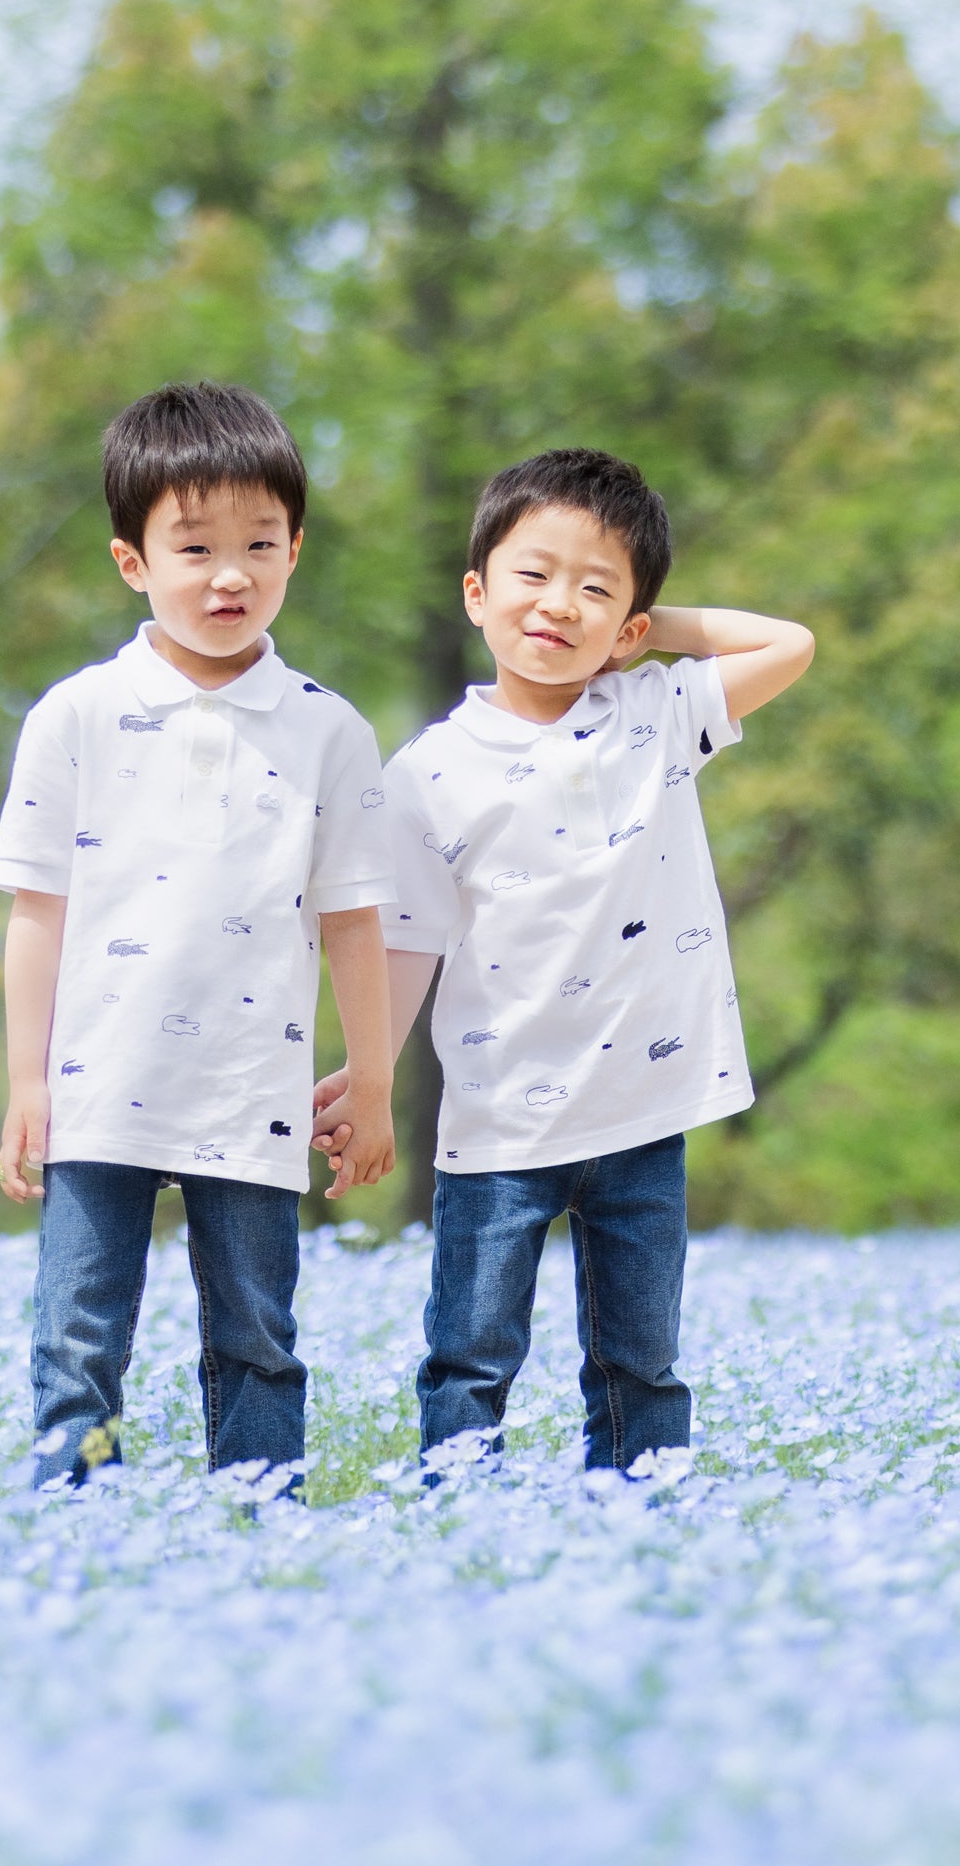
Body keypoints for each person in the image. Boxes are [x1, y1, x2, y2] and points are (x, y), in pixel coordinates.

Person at [340, 446, 814, 1478]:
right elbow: (408, 944)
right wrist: (371, 1078)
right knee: (470, 1358)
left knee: (640, 1364)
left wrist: (640, 634)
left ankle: (642, 1534)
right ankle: (463, 1531)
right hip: (500, 1118)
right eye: (533, 575)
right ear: (475, 593)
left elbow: (792, 642)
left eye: (595, 590)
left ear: (632, 626)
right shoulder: (426, 774)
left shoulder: (652, 716)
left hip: (640, 1109)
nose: (559, 605)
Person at [0, 381, 401, 1490]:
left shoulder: (329, 729)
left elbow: (357, 922)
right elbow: (37, 912)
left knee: (258, 1343)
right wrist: (27, 1084)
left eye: (260, 543)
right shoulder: (74, 716)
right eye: (196, 547)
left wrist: (373, 1079)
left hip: (250, 1085)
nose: (232, 574)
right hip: (98, 1081)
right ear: (134, 562)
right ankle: (66, 1542)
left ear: (295, 551)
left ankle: (262, 1546)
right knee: (77, 1343)